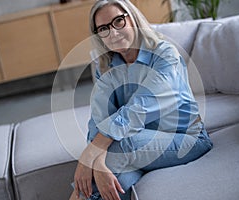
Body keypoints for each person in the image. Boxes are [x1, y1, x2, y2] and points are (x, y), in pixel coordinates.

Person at [69, 0, 213, 200]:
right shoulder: (106, 67)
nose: (113, 32)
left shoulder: (165, 55)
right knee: (114, 185)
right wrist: (97, 161)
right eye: (103, 28)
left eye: (118, 21)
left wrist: (91, 154)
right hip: (142, 143)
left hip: (185, 138)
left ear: (133, 18)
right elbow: (99, 117)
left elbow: (139, 109)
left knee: (121, 148)